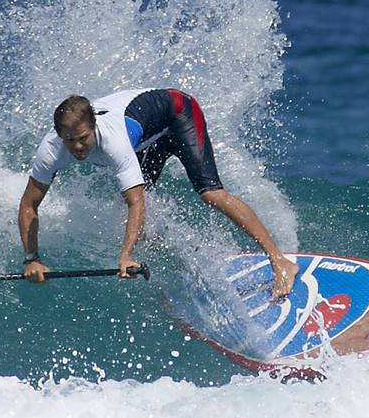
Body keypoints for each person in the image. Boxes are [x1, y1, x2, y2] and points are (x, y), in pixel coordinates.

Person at [17, 88, 299, 300]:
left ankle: (280, 261)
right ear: (59, 135)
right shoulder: (51, 151)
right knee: (128, 217)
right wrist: (32, 258)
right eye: (70, 141)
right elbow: (29, 204)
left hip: (178, 113)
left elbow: (136, 201)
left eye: (83, 139)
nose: (78, 147)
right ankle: (185, 266)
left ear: (93, 127)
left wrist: (126, 255)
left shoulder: (114, 141)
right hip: (148, 138)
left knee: (211, 194)